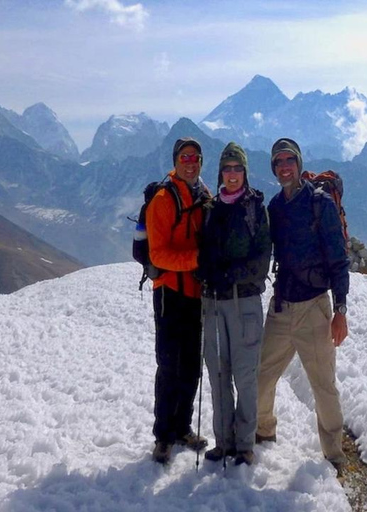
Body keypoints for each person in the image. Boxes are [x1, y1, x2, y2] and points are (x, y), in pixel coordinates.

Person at [256, 137, 351, 474]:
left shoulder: (319, 203)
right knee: (262, 377)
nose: (284, 167)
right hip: (282, 306)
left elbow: (339, 260)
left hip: (314, 306)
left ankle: (334, 454)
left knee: (322, 384)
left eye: (289, 161)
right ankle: (263, 431)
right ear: (274, 168)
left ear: (298, 163)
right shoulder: (275, 208)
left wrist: (340, 311)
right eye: (278, 162)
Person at [197, 142, 271, 466]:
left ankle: (244, 445)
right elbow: (201, 251)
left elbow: (261, 261)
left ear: (245, 172)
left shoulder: (256, 208)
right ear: (220, 173)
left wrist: (227, 274)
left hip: (245, 302)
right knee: (218, 375)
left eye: (237, 168)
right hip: (213, 303)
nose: (232, 174)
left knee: (244, 376)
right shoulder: (210, 209)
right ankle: (223, 442)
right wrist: (205, 271)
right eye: (227, 169)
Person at [146, 137, 211, 464]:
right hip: (169, 294)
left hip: (195, 295)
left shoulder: (203, 195)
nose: (191, 162)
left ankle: (183, 427)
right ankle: (163, 435)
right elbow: (157, 253)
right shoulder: (162, 199)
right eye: (185, 157)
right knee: (169, 366)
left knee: (190, 367)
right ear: (175, 161)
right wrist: (197, 260)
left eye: (196, 157)